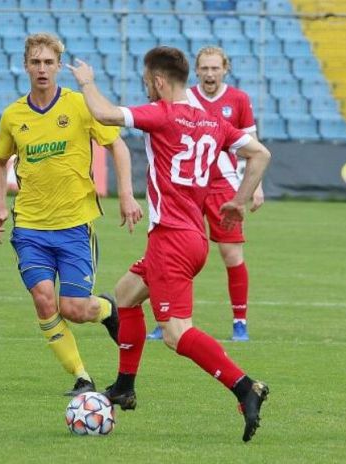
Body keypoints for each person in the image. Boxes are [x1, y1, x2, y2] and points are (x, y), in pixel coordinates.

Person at [67, 46, 272, 442]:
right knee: (125, 296)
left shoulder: (162, 114)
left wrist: (87, 82)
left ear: (159, 81)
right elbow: (260, 154)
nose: (146, 86)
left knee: (177, 333)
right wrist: (237, 200)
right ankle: (124, 386)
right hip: (191, 236)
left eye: (147, 81)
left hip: (171, 241)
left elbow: (106, 114)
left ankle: (245, 387)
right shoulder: (211, 121)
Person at [0, 33, 143, 397]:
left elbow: (117, 146)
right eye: (35, 62)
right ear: (26, 65)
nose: (42, 69)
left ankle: (107, 309)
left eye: (48, 62)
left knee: (74, 308)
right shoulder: (13, 115)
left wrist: (125, 193)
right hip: (29, 227)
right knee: (44, 299)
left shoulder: (78, 106)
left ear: (59, 66)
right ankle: (81, 376)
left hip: (75, 226)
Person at [147, 46, 262, 342]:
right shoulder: (185, 96)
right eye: (205, 68)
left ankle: (240, 322)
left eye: (215, 68)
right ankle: (166, 318)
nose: (210, 74)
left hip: (223, 184)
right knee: (173, 248)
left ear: (225, 69)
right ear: (196, 71)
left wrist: (255, 186)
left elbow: (253, 144)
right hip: (184, 187)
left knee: (231, 253)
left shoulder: (239, 99)